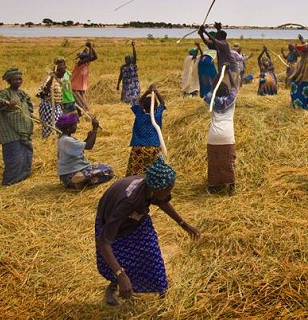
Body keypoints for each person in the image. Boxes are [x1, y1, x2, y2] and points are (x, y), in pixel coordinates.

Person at [95, 159, 200, 305]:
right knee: (119, 257)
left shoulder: (149, 184)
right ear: (155, 190)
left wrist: (184, 224)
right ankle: (114, 285)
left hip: (136, 218)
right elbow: (104, 241)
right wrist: (121, 274)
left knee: (150, 253)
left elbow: (162, 201)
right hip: (112, 221)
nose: (169, 194)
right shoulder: (129, 201)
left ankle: (162, 291)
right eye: (167, 191)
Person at [0, 68, 34, 186]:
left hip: (24, 133)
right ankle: (10, 183)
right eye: (15, 79)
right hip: (11, 133)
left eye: (20, 79)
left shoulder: (23, 94)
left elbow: (29, 109)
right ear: (9, 81)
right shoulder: (5, 93)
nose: (18, 81)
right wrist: (5, 103)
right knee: (14, 159)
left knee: (26, 158)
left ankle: (21, 180)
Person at [55, 113, 115, 189]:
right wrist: (95, 129)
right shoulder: (67, 140)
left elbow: (81, 147)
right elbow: (89, 146)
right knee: (108, 170)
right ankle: (79, 179)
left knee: (103, 169)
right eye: (74, 125)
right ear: (68, 128)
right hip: (71, 173)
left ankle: (81, 181)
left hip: (68, 173)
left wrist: (89, 135)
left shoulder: (63, 139)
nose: (76, 127)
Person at [204, 82, 238, 194]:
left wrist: (217, 80)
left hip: (213, 136)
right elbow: (235, 86)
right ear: (227, 92)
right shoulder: (231, 100)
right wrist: (228, 71)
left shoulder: (213, 100)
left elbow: (207, 95)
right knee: (229, 162)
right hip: (227, 135)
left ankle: (213, 185)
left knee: (214, 162)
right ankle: (231, 185)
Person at [127, 85, 166, 176]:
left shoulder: (139, 115)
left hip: (138, 148)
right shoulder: (157, 115)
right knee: (152, 173)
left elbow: (139, 102)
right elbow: (163, 103)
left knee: (134, 172)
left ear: (143, 107)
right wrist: (156, 92)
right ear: (155, 107)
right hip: (153, 148)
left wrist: (147, 92)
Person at [199, 23, 238, 89]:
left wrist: (205, 31)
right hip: (224, 69)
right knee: (221, 86)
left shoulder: (224, 44)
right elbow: (208, 43)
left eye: (217, 35)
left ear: (220, 37)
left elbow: (214, 40)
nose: (215, 37)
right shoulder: (219, 45)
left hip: (231, 68)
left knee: (228, 88)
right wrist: (201, 34)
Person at [37, 58, 66, 139]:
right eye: (62, 73)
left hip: (57, 106)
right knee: (49, 126)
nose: (63, 74)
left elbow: (58, 94)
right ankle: (47, 142)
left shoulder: (59, 80)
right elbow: (44, 91)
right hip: (48, 106)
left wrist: (60, 105)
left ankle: (56, 141)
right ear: (57, 71)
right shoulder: (49, 78)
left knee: (59, 126)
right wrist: (51, 79)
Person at [71, 41, 98, 111]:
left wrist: (91, 47)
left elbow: (95, 57)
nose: (88, 59)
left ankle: (83, 112)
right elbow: (89, 57)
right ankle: (85, 112)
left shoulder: (86, 63)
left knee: (80, 101)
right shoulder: (79, 63)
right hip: (75, 85)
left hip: (81, 86)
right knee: (80, 101)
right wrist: (90, 47)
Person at [117, 40, 140, 105]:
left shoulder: (133, 65)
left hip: (134, 84)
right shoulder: (123, 67)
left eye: (128, 59)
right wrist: (118, 84)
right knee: (125, 98)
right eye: (125, 59)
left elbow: (135, 56)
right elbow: (120, 76)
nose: (126, 60)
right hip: (126, 85)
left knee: (135, 98)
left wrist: (133, 47)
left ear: (130, 59)